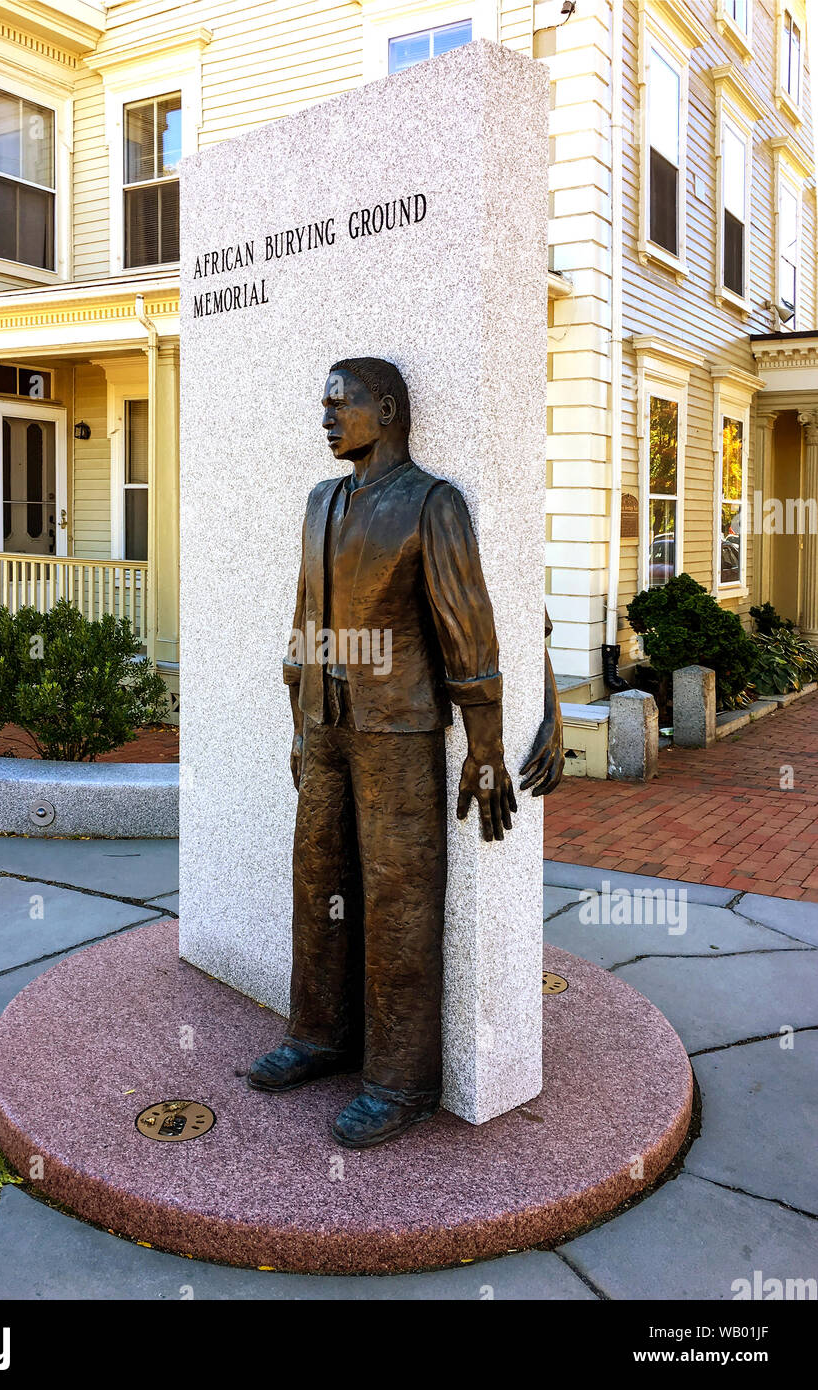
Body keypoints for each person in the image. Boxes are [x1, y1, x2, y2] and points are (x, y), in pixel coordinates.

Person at [248, 357, 563, 1148]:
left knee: (399, 898)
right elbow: (304, 619)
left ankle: (401, 1079)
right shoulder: (320, 502)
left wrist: (484, 745)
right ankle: (320, 1033)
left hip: (399, 731)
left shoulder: (431, 502)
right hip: (325, 727)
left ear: (384, 410)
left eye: (339, 404)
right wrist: (297, 719)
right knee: (316, 879)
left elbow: (468, 628)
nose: (324, 418)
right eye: (321, 405)